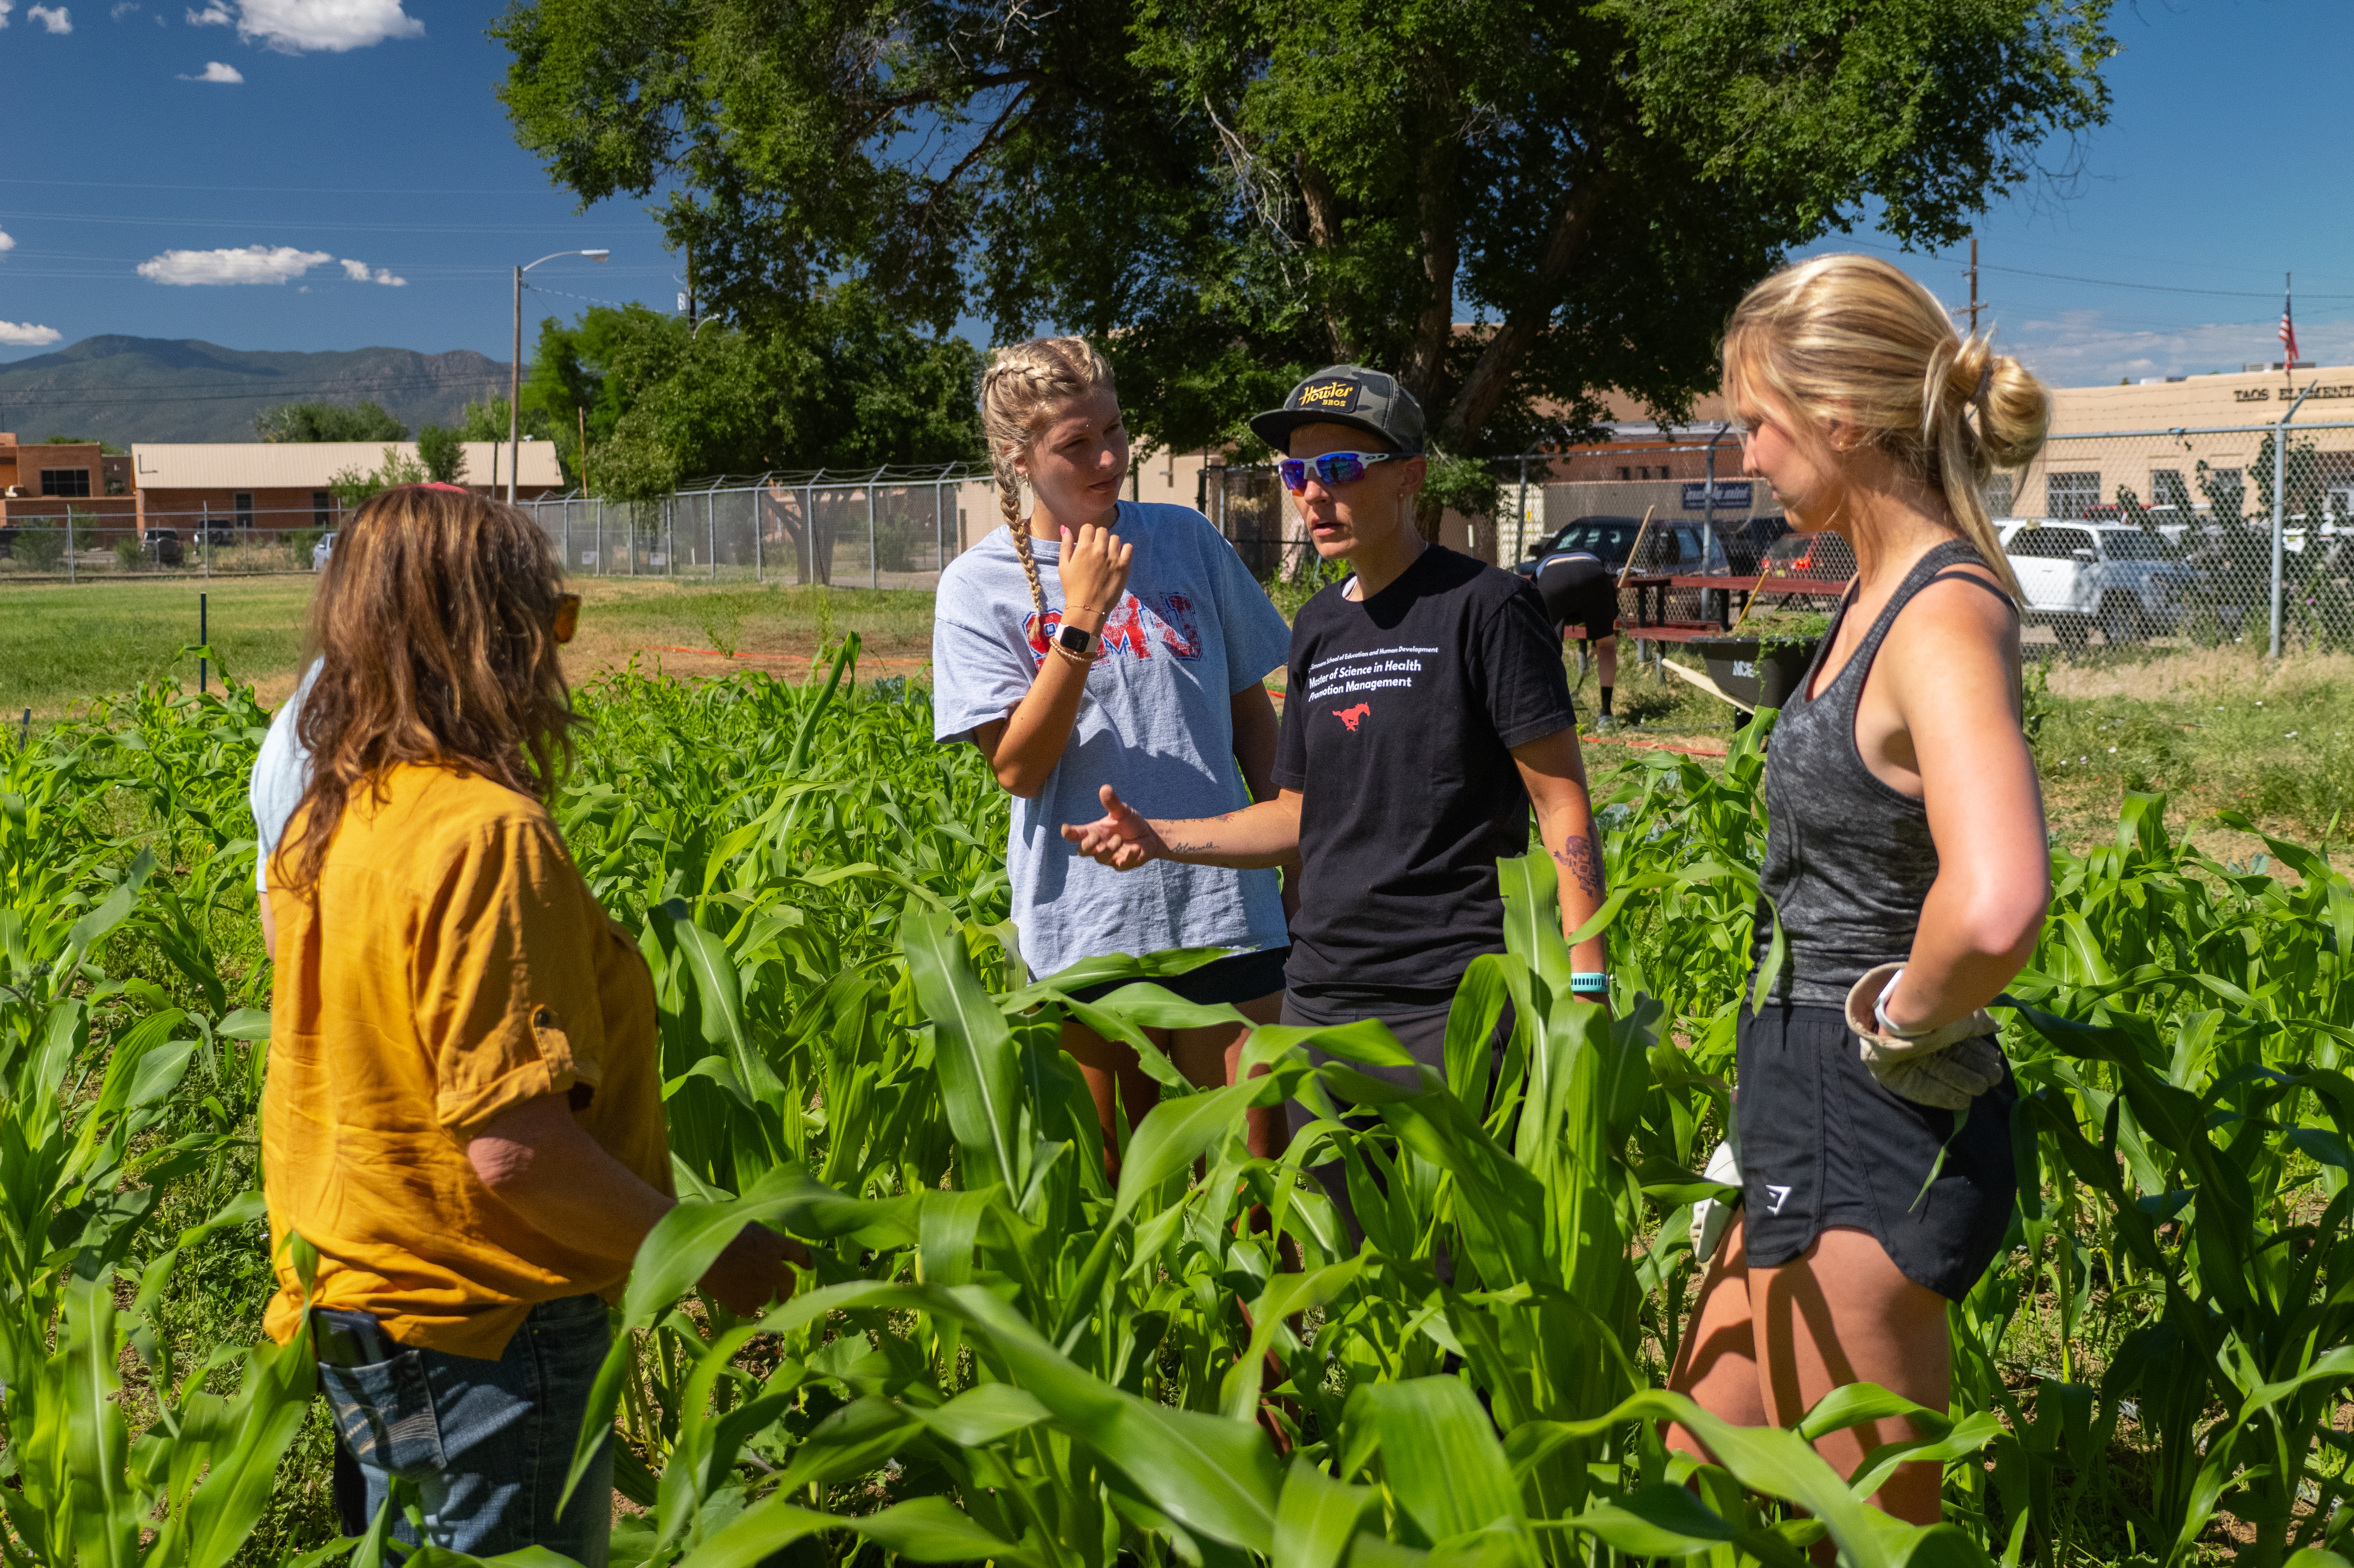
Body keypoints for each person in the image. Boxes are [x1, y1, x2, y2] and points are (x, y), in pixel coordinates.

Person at [260, 485, 801, 1562]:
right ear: (490, 633)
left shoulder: (330, 812)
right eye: (551, 620)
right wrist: (721, 1256)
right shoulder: (483, 833)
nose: (558, 653)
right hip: (485, 1323)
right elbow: (517, 1152)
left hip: (355, 1298)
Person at [1661, 254, 2052, 1526]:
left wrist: (1896, 1017)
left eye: (1757, 424)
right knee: (1694, 1458)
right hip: (1796, 1084)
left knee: (1874, 1527)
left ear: (1839, 420)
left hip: (1867, 1107)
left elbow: (1995, 902)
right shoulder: (1862, 590)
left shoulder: (1939, 614)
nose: (1748, 454)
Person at [1061, 365, 1611, 1242]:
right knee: (1348, 1268)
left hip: (1447, 1000)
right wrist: (1159, 836)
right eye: (1296, 475)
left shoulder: (1486, 606)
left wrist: (1586, 982)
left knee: (1454, 1271)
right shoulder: (1317, 625)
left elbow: (1560, 803)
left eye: (1341, 471)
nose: (1314, 495)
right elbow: (1296, 815)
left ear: (1410, 476)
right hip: (1318, 995)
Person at [930, 336, 1297, 1173]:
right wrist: (1080, 620)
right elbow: (1018, 769)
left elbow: (1252, 716)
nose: (1107, 458)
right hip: (1085, 923)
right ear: (1014, 457)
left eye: (1115, 431)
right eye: (1074, 443)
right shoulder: (976, 586)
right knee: (1110, 1190)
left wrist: (1295, 847)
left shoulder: (1184, 540)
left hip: (1226, 913)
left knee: (1253, 1185)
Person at [1533, 548, 1620, 726]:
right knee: (1607, 646)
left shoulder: (1542, 566)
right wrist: (1601, 638)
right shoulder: (1594, 561)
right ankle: (1606, 715)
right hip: (1593, 576)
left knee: (1547, 649)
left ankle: (1549, 713)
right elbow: (1611, 617)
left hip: (1552, 578)